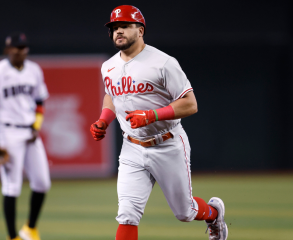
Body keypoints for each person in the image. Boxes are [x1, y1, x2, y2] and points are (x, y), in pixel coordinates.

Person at [90, 5, 228, 240]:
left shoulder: (163, 62)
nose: (118, 31)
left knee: (185, 212)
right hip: (131, 147)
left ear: (140, 30)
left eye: (124, 26)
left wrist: (152, 115)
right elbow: (112, 96)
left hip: (167, 143)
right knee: (127, 214)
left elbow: (190, 104)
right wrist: (104, 119)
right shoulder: (108, 66)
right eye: (114, 28)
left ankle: (214, 215)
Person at [0, 32, 51, 240]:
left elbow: (40, 101)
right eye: (18, 48)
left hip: (29, 131)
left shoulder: (34, 70)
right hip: (7, 131)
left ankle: (30, 228)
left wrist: (36, 126)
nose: (22, 51)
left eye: (24, 47)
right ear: (8, 50)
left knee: (42, 183)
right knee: (12, 186)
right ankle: (12, 237)